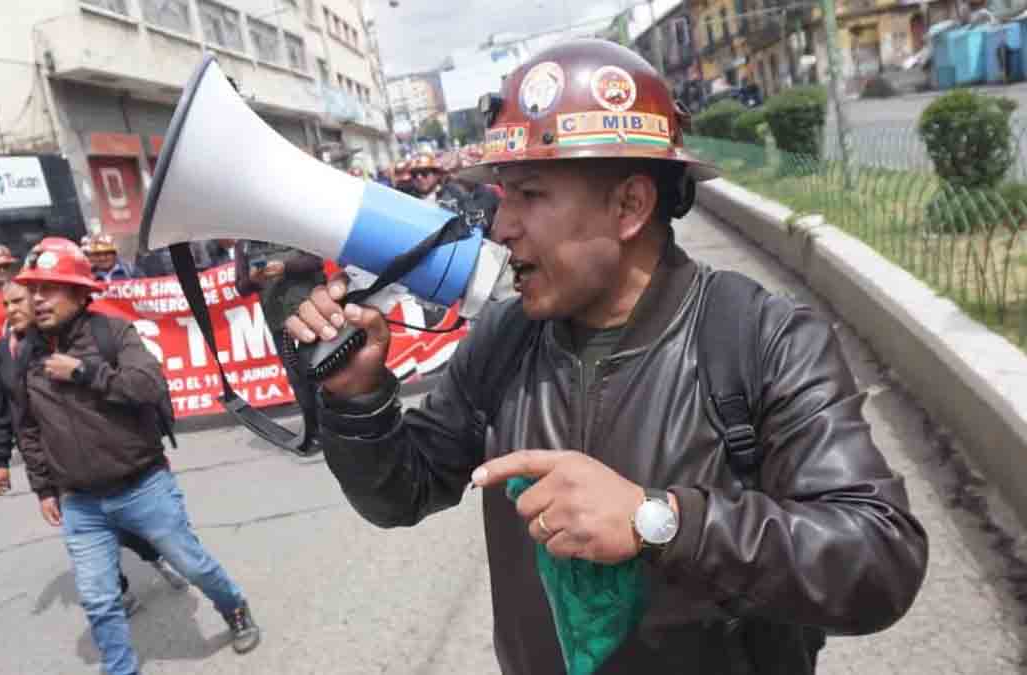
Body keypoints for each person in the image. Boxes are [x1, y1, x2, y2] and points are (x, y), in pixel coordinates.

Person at [285, 39, 928, 674]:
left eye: (530, 194)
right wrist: (357, 398)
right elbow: (401, 494)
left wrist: (662, 521)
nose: (501, 227)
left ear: (629, 206)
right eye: (503, 195)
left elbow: (879, 558)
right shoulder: (505, 337)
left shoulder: (762, 337)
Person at [12, 238, 260, 675]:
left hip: (142, 487)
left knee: (192, 565)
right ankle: (120, 668)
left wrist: (84, 372)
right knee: (98, 599)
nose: (37, 299)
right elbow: (27, 426)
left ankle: (234, 607)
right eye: (33, 290)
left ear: (79, 293)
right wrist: (44, 487)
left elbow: (148, 386)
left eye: (49, 288)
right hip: (80, 503)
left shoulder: (112, 333)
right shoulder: (25, 353)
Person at [0, 281, 188, 616]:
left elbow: (134, 385)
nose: (12, 310)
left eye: (19, 300)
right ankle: (116, 592)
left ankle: (157, 556)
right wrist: (1, 461)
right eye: (6, 304)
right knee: (90, 538)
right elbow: (4, 410)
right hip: (58, 464)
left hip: (108, 459)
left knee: (127, 528)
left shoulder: (76, 339)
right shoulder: (5, 353)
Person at [233, 239, 326, 339]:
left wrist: (285, 267)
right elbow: (241, 288)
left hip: (312, 307)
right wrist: (253, 280)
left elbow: (317, 261)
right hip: (278, 319)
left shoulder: (295, 229)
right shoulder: (242, 243)